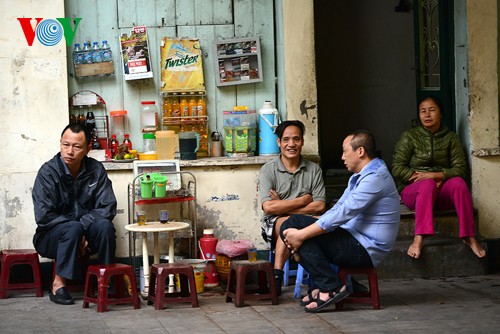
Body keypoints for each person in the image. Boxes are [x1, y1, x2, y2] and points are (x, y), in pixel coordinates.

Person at [280, 130, 400, 313]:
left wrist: (302, 234)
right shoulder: (359, 176)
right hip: (352, 238)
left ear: (360, 151)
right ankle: (326, 284)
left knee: (297, 229)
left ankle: (330, 286)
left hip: (365, 249)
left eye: (345, 151)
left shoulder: (375, 177)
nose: (342, 157)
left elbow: (344, 213)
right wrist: (308, 227)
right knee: (293, 222)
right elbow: (337, 208)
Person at [391, 96, 486, 259]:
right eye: (423, 111)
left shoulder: (451, 138)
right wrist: (421, 178)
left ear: (441, 114)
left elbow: (460, 168)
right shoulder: (410, 137)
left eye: (432, 110)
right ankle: (419, 237)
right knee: (427, 184)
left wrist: (435, 175)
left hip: (440, 192)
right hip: (413, 192)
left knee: (459, 184)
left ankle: (469, 236)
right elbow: (397, 167)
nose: (427, 114)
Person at [32, 123, 117, 305]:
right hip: (50, 239)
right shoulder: (48, 173)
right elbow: (44, 216)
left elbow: (108, 206)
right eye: (65, 145)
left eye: (76, 147)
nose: (69, 151)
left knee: (104, 226)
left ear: (87, 149)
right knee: (72, 228)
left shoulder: (95, 170)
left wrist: (82, 229)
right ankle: (58, 284)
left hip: (85, 237)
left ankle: (105, 282)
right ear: (60, 144)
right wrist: (76, 231)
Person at [258, 120, 326, 295]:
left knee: (298, 224)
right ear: (279, 142)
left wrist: (283, 206)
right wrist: (302, 201)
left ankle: (277, 277)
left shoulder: (314, 170)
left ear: (302, 141)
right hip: (273, 223)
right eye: (286, 139)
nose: (291, 144)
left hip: (303, 221)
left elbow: (319, 205)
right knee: (290, 225)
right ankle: (281, 276)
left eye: (296, 139)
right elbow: (268, 207)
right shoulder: (268, 170)